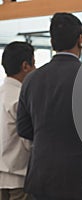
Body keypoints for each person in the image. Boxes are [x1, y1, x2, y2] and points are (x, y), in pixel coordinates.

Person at [16, 12, 82, 200]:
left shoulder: (31, 79)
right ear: (80, 40)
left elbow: (23, 128)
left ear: (52, 42)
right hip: (80, 179)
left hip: (40, 178)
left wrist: (49, 136)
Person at [0, 41, 35, 200]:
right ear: (25, 66)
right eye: (34, 64)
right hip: (18, 176)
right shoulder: (21, 98)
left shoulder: (3, 93)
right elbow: (29, 138)